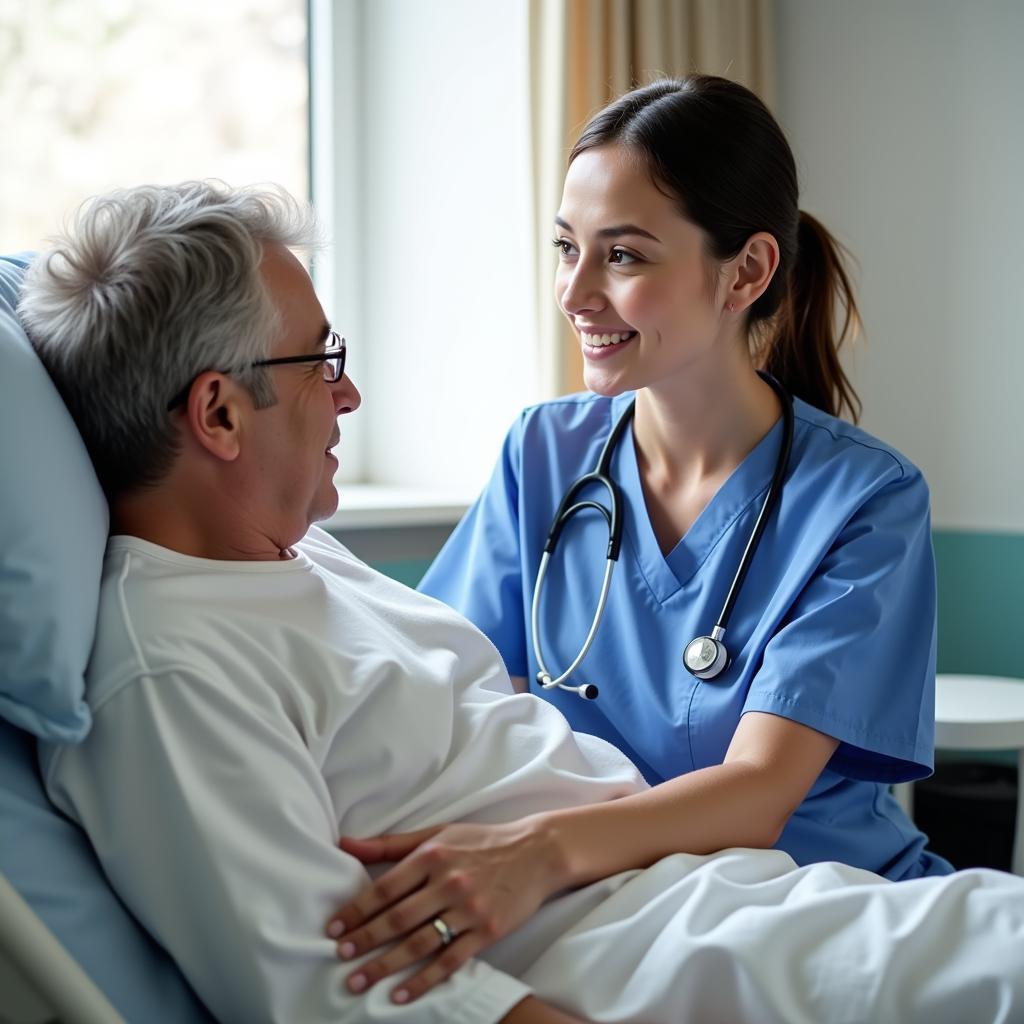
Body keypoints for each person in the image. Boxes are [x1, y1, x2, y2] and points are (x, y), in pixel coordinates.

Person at [22, 181, 1023, 1024]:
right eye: (322, 361)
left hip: (738, 897)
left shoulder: (301, 561)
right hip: (672, 958)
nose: (350, 395)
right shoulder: (172, 669)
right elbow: (350, 990)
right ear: (219, 413)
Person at [326, 75, 953, 995]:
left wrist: (535, 851)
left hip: (826, 909)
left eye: (622, 256)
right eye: (565, 248)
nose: (576, 292)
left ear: (745, 272)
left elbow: (757, 794)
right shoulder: (544, 453)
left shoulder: (864, 499)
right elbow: (440, 683)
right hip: (623, 906)